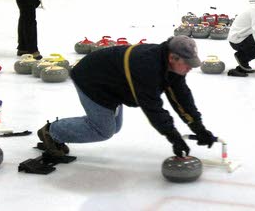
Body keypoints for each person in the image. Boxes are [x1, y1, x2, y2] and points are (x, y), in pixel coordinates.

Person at [37, 36, 216, 158]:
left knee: (115, 127)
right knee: (103, 130)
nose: (190, 68)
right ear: (173, 57)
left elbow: (181, 98)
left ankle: (65, 128)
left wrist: (199, 128)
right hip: (91, 80)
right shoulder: (147, 66)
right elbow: (153, 108)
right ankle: (52, 132)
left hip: (113, 83)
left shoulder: (172, 67)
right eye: (187, 64)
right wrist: (174, 137)